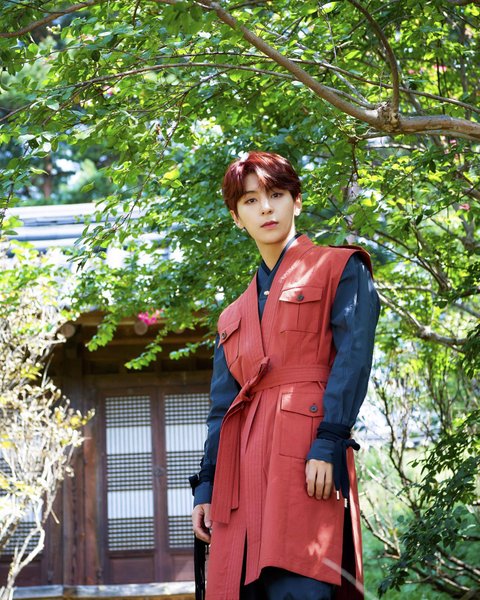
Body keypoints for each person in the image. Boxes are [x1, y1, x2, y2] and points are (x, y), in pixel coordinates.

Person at [191, 151, 380, 600]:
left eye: (276, 195)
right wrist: (207, 485)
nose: (266, 208)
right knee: (241, 586)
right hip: (240, 473)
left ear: (296, 201)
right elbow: (222, 408)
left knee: (303, 583)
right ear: (236, 217)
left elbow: (353, 359)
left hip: (305, 454)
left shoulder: (339, 268)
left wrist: (330, 439)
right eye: (250, 201)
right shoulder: (232, 315)